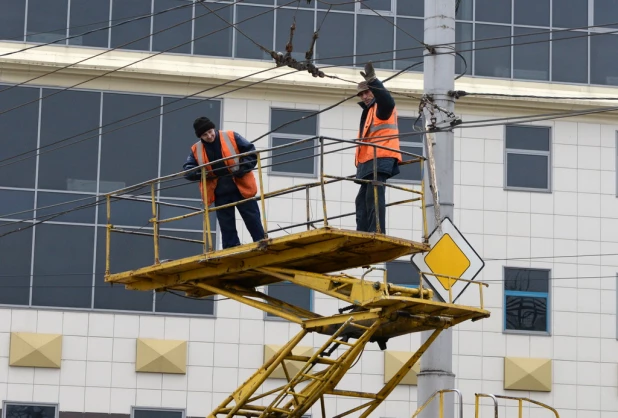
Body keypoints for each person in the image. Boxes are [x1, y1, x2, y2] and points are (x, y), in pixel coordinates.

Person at [183, 116, 265, 249]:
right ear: (200, 136)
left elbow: (251, 152)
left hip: (241, 186)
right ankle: (230, 248)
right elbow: (188, 170)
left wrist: (243, 168)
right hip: (220, 192)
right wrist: (199, 173)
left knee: (252, 218)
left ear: (213, 128)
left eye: (210, 131)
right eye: (205, 134)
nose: (209, 136)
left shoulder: (231, 136)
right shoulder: (196, 149)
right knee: (226, 224)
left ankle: (261, 242)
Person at [354, 62, 402, 234]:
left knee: (373, 195)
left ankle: (376, 231)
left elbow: (387, 101)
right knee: (361, 200)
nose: (364, 96)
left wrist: (373, 81)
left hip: (381, 156)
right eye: (361, 94)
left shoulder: (382, 108)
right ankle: (363, 232)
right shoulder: (368, 111)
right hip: (368, 161)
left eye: (367, 92)